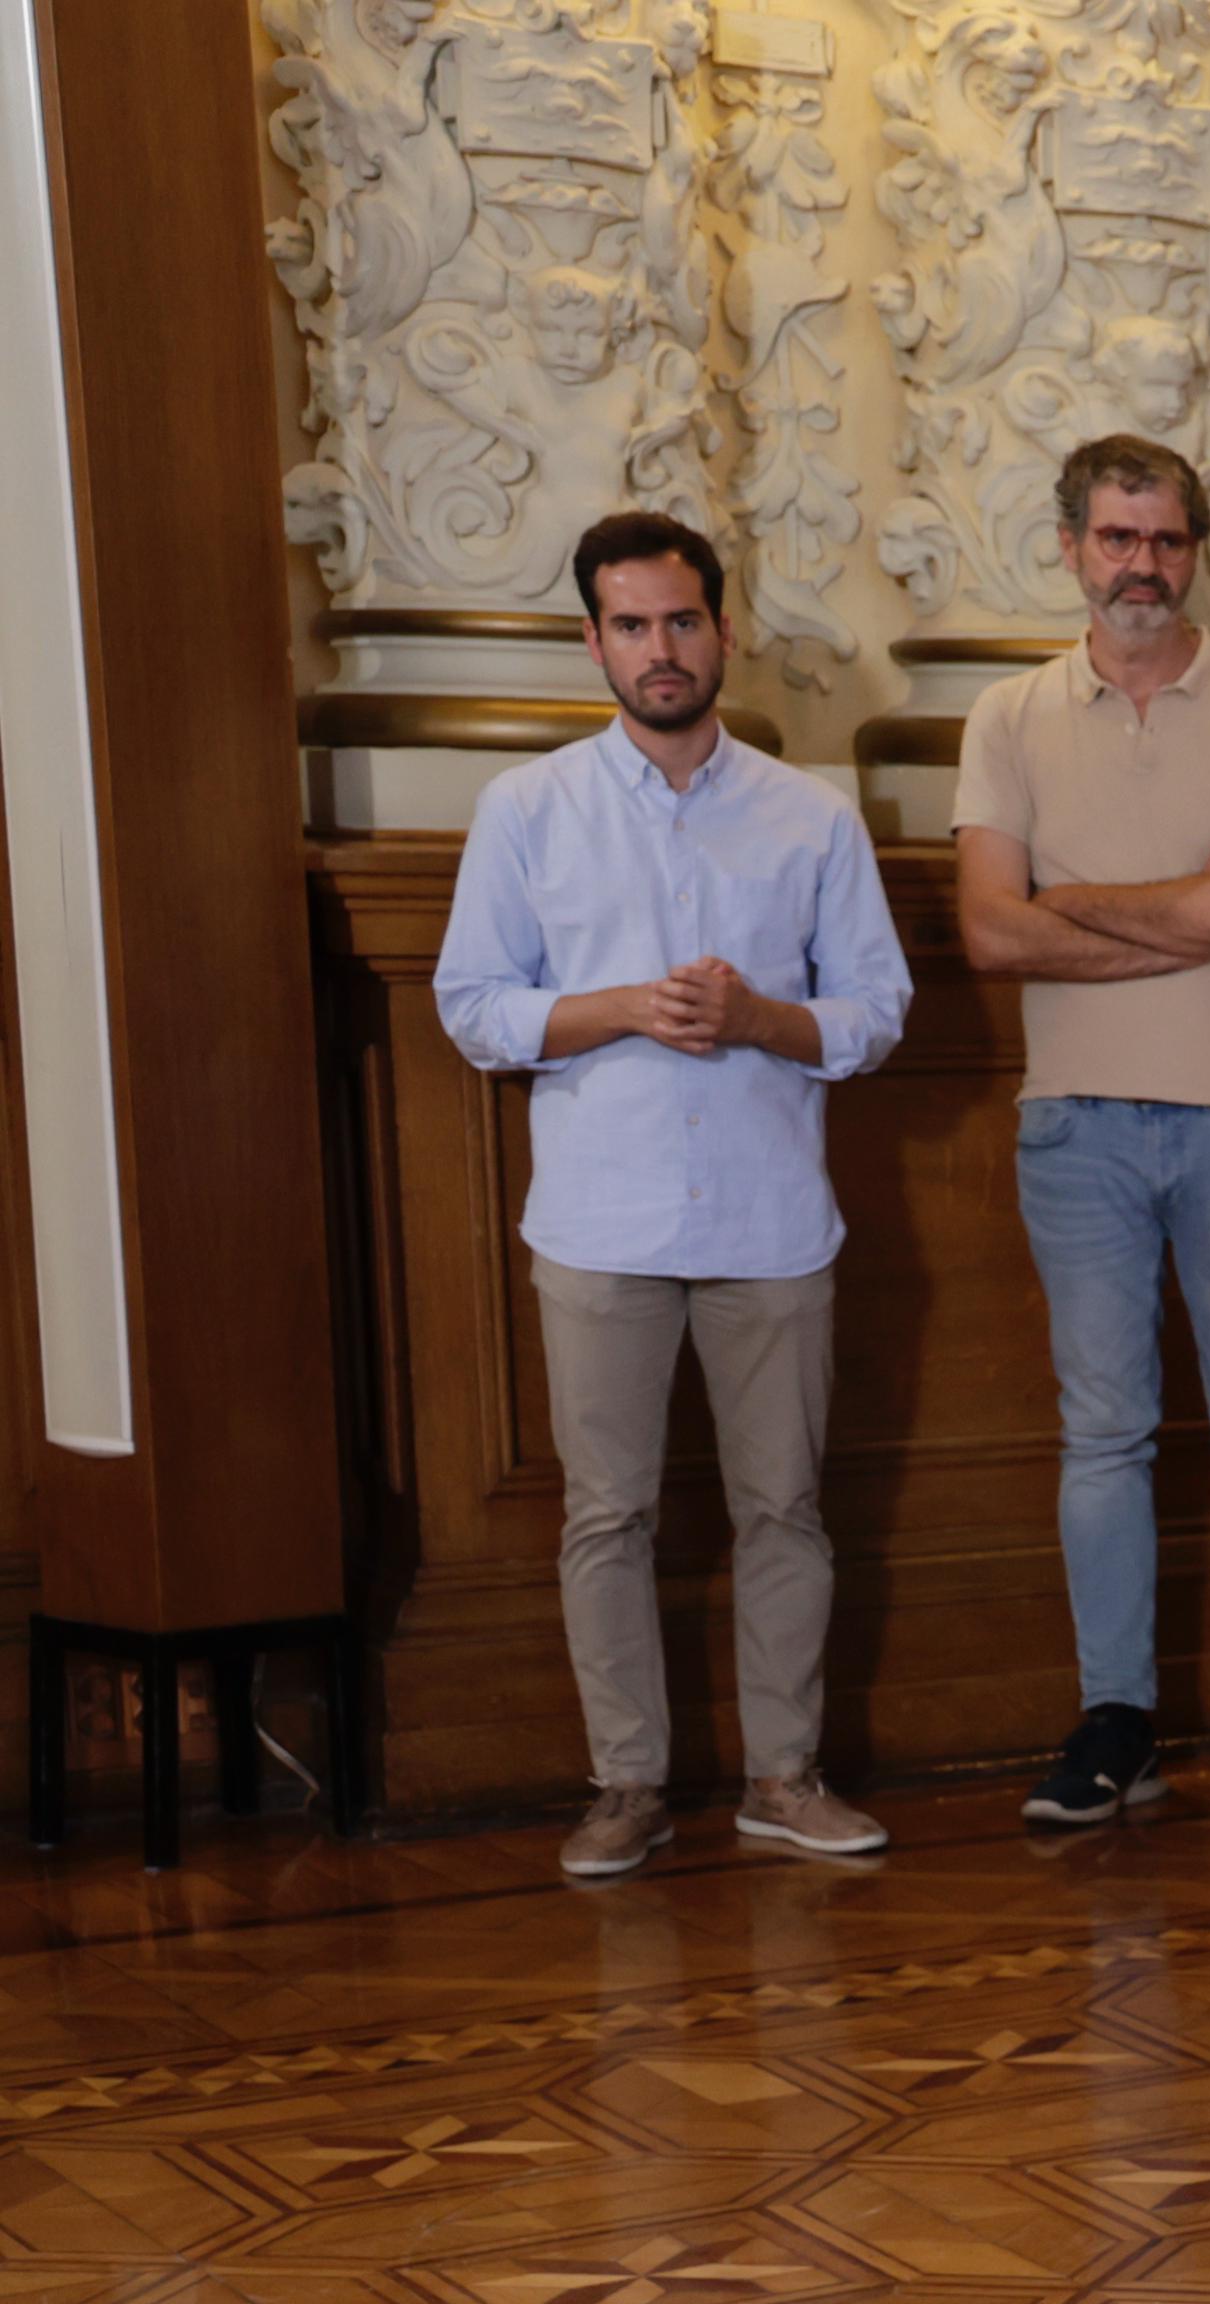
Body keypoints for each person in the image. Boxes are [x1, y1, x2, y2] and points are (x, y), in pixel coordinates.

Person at [434, 509, 910, 1881]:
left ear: (722, 630)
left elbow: (876, 1012)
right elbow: (472, 1007)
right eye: (632, 624)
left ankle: (785, 1776)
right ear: (594, 641)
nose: (661, 647)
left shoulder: (809, 815)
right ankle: (626, 1784)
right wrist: (622, 1008)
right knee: (606, 1516)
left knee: (786, 1509)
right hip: (601, 1222)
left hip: (771, 1220)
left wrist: (761, 1017)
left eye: (682, 621)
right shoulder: (528, 810)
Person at [954, 429, 1210, 1830]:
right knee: (1102, 1434)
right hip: (1075, 1125)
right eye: (1117, 538)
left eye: (1166, 540)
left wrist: (1069, 900)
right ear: (1070, 548)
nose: (1142, 566)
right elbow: (989, 935)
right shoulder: (1007, 717)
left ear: (1197, 552)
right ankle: (1115, 1715)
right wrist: (1172, 910)